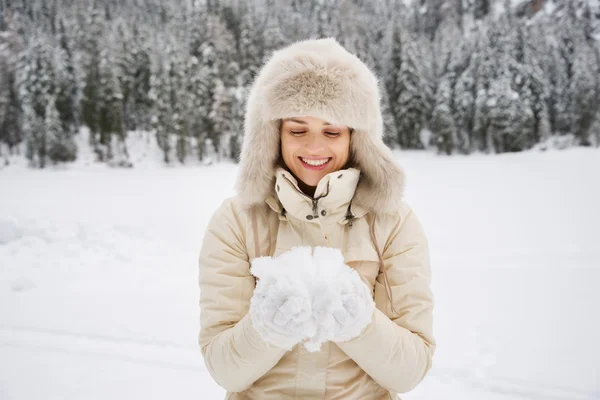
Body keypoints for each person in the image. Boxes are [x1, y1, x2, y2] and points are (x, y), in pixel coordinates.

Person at [198, 38, 435, 399]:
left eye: (332, 131)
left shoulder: (392, 221)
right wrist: (266, 328)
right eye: (297, 130)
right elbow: (224, 370)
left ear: (357, 138)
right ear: (272, 135)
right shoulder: (235, 221)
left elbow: (410, 371)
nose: (313, 148)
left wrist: (361, 324)